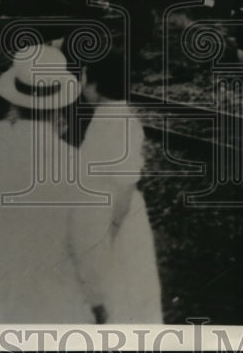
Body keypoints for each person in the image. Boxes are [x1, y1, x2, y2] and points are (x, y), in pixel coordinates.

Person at [0, 44, 109, 323]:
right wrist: (97, 301)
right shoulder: (72, 163)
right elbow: (86, 244)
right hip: (49, 297)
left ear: (13, 101)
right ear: (61, 102)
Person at [77, 53, 163, 323]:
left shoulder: (119, 121)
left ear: (97, 85)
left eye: (84, 77)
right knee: (112, 297)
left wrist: (108, 237)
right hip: (104, 216)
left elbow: (124, 188)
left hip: (117, 221)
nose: (81, 84)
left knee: (122, 295)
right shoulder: (105, 116)